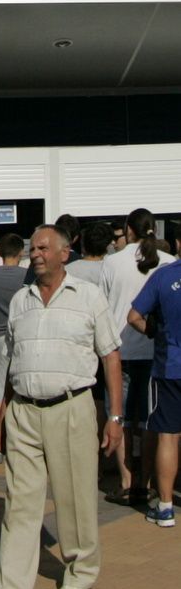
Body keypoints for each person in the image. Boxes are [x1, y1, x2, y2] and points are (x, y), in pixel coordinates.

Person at [0, 226, 123, 589]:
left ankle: (80, 571)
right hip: (24, 411)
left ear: (66, 253)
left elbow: (111, 357)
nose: (36, 253)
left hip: (72, 407)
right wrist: (3, 412)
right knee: (19, 503)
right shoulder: (20, 302)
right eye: (32, 248)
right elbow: (12, 360)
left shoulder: (89, 297)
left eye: (44, 247)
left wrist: (115, 417)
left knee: (74, 495)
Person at [105, 209, 169, 506]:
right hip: (156, 350)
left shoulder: (112, 262)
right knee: (149, 418)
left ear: (128, 229)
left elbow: (104, 306)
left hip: (119, 349)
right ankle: (147, 481)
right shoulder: (168, 263)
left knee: (120, 416)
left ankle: (127, 481)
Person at [130, 249, 181, 528]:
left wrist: (153, 332)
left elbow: (133, 316)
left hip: (170, 368)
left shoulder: (163, 276)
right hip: (169, 367)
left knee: (168, 436)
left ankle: (165, 506)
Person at [0, 233, 30, 464]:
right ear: (21, 251)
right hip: (23, 338)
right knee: (23, 392)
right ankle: (18, 443)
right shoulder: (27, 276)